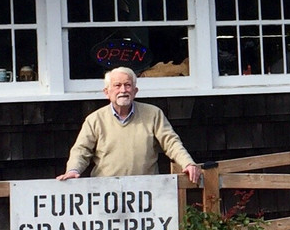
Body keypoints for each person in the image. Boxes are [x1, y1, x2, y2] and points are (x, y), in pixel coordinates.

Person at [56, 66, 202, 184]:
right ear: (107, 92)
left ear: (135, 91)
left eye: (127, 85)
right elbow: (81, 150)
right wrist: (73, 170)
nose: (123, 90)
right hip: (106, 189)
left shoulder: (153, 114)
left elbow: (171, 143)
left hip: (147, 189)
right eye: (117, 86)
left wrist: (187, 163)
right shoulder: (95, 119)